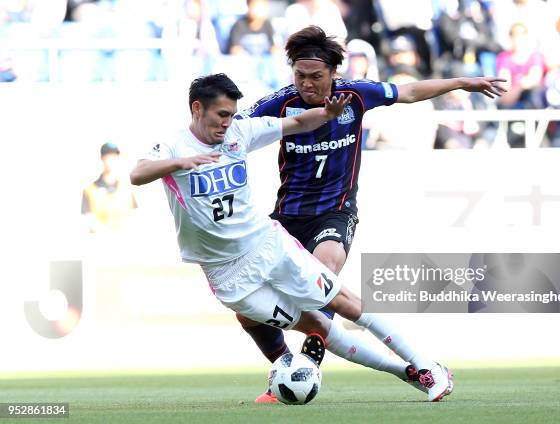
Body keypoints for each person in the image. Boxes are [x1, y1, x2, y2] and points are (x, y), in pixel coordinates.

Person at [130, 73, 454, 403]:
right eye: (222, 115)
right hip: (228, 278)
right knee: (317, 327)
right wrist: (179, 163)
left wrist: (326, 115)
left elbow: (297, 122)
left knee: (341, 301)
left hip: (268, 245)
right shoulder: (172, 146)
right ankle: (405, 374)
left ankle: (426, 366)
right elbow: (137, 173)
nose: (228, 123)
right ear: (197, 109)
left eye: (231, 114)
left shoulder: (239, 133)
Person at [234, 25, 505, 402]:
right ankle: (287, 368)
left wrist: (462, 82)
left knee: (321, 277)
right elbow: (230, 131)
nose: (307, 84)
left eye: (316, 76)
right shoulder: (278, 104)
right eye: (300, 76)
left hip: (334, 212)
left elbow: (409, 92)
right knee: (247, 309)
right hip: (285, 217)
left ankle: (313, 362)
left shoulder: (356, 95)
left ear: (333, 74)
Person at [82, 142, 138, 233]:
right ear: (102, 158)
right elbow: (89, 221)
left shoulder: (126, 189)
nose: (113, 160)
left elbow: (134, 218)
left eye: (115, 156)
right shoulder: (89, 190)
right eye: (109, 156)